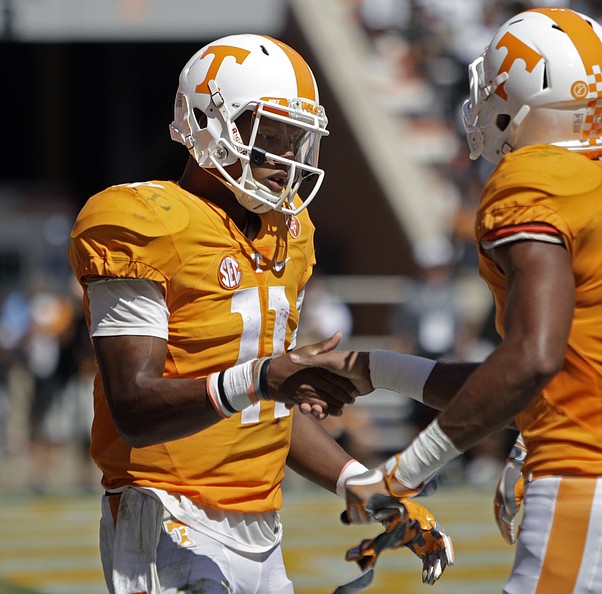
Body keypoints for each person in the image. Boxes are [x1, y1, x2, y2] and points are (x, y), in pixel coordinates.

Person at [292, 8, 602, 593]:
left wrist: (402, 474)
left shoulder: (535, 177)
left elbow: (532, 358)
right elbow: (530, 379)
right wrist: (373, 369)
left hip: (589, 493)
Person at [68, 34, 450, 594]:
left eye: (297, 140)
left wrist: (357, 481)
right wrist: (265, 377)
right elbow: (135, 405)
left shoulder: (287, 235)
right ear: (207, 122)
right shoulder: (142, 220)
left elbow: (261, 405)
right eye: (269, 136)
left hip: (263, 526)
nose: (286, 160)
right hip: (167, 514)